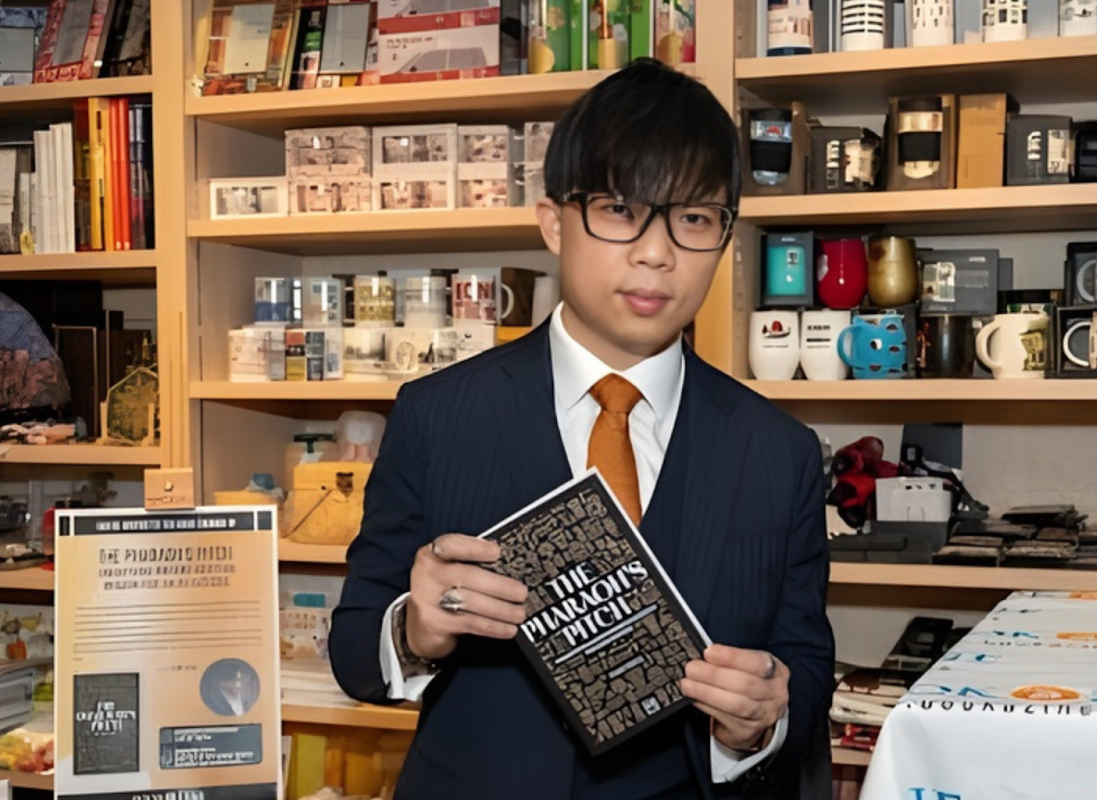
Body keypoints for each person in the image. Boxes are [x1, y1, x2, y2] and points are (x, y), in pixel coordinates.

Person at [331, 58, 834, 800]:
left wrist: (759, 721)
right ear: (553, 224)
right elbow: (354, 651)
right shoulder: (438, 415)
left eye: (695, 218)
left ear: (726, 238)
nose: (657, 252)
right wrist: (415, 629)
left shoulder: (777, 451)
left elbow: (805, 664)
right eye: (621, 209)